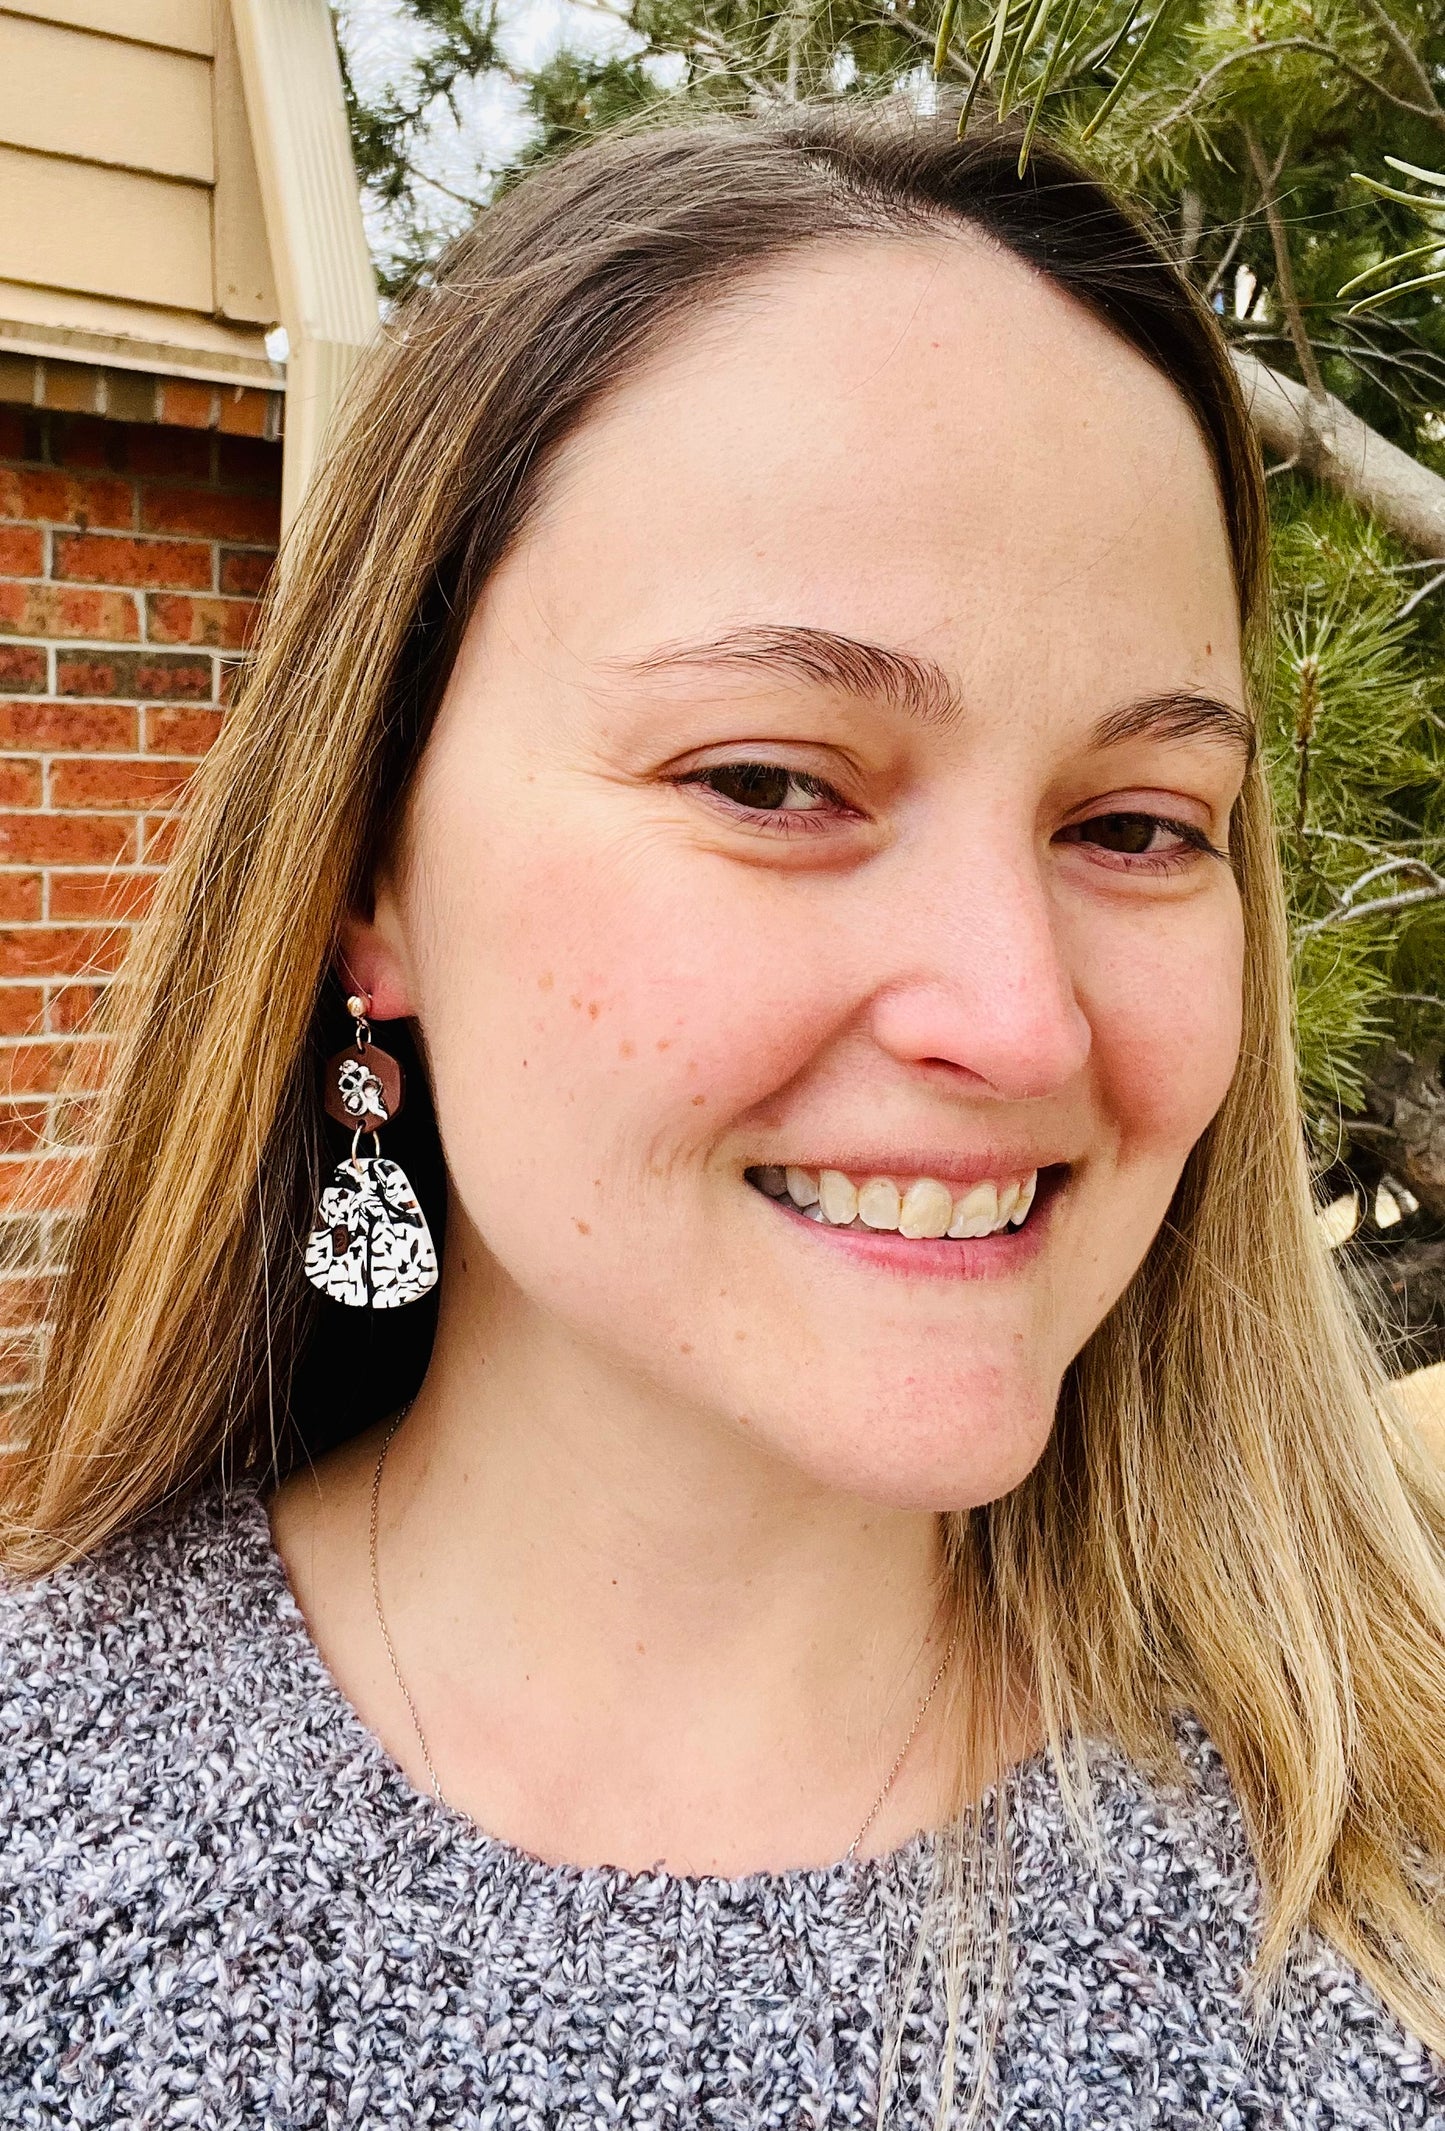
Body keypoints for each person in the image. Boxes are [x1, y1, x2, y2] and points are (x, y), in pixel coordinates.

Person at [0, 103, 1441, 2128]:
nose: (1019, 1017)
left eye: (1134, 824)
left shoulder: (1396, 1922)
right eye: (774, 782)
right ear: (370, 867)